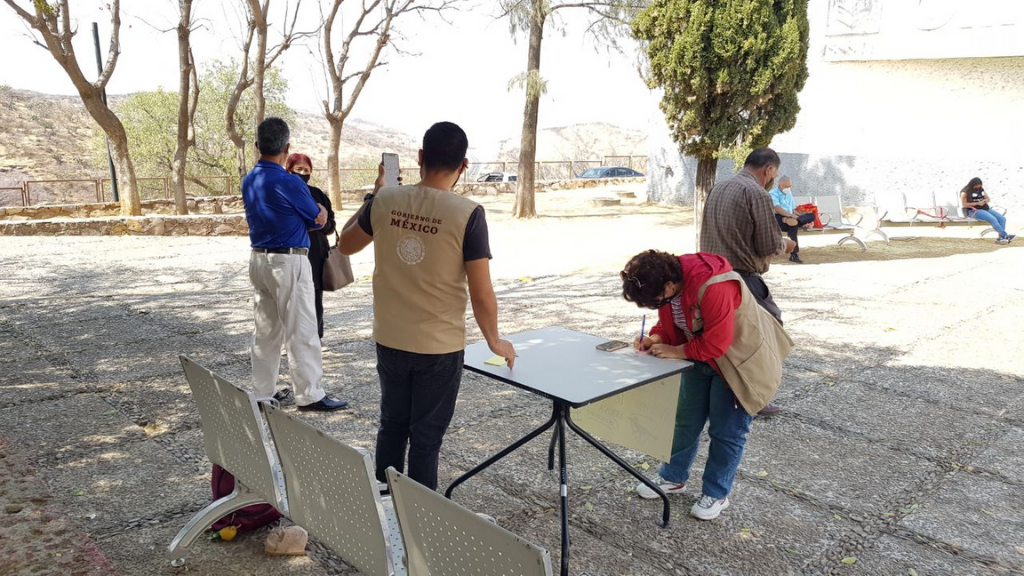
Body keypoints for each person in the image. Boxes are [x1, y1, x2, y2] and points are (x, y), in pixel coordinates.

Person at [339, 121, 516, 490]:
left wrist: (373, 197)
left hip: (390, 337)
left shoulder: (386, 201)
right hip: (439, 346)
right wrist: (495, 341)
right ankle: (419, 523)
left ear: (420, 158)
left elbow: (346, 244)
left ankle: (384, 506)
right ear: (463, 165)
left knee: (392, 425)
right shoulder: (468, 214)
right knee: (425, 440)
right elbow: (482, 293)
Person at [620, 249, 750, 521]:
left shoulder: (714, 285)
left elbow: (716, 343)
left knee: (726, 431)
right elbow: (670, 321)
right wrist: (655, 339)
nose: (656, 305)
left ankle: (716, 492)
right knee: (685, 421)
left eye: (655, 300)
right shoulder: (670, 285)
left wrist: (677, 352)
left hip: (736, 361)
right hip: (697, 356)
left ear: (668, 285)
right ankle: (673, 477)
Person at [242, 118, 348, 412]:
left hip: (259, 259)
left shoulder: (249, 179)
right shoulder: (289, 182)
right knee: (301, 328)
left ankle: (262, 393)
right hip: (288, 260)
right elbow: (318, 218)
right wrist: (322, 211)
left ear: (256, 146)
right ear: (286, 148)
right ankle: (310, 394)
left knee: (266, 332)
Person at [700, 147, 794, 417]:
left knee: (726, 338)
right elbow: (766, 243)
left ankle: (724, 394)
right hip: (742, 279)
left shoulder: (719, 187)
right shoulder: (756, 193)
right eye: (773, 174)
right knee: (766, 334)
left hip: (712, 275)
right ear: (769, 170)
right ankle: (755, 397)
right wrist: (784, 245)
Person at [286, 153, 335, 343]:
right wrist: (314, 222)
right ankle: (292, 337)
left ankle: (316, 336)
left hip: (316, 252)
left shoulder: (318, 194)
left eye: (307, 170)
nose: (303, 173)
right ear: (289, 170)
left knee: (315, 295)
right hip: (292, 250)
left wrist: (321, 224)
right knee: (292, 294)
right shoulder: (285, 193)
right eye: (298, 169)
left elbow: (331, 225)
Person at [770, 176, 816, 263]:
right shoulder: (773, 193)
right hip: (777, 218)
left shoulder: (789, 193)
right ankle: (794, 255)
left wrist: (798, 216)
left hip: (790, 217)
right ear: (779, 185)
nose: (788, 188)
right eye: (786, 187)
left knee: (811, 216)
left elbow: (793, 209)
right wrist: (790, 215)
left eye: (790, 186)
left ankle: (798, 221)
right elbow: (777, 208)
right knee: (793, 224)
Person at [961, 177, 1015, 244]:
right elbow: (964, 204)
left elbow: (988, 198)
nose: (979, 186)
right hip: (973, 211)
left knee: (1002, 218)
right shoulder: (965, 192)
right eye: (977, 185)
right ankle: (1005, 235)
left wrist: (986, 200)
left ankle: (1001, 238)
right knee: (993, 219)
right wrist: (977, 203)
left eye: (980, 185)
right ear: (973, 184)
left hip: (985, 208)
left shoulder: (980, 189)